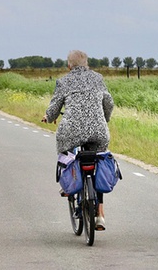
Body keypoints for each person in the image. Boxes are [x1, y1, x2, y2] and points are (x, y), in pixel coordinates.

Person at [43, 50, 114, 231]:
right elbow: (109, 103)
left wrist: (49, 117)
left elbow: (55, 106)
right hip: (98, 130)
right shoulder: (97, 78)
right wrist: (104, 119)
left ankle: (69, 183)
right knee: (98, 160)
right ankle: (100, 215)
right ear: (86, 64)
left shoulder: (63, 81)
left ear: (69, 65)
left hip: (71, 130)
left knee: (64, 151)